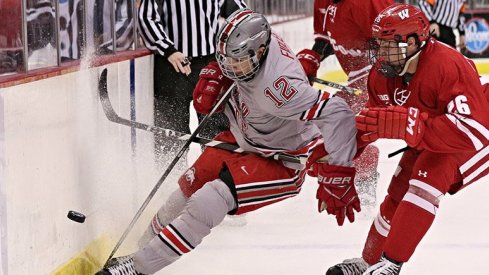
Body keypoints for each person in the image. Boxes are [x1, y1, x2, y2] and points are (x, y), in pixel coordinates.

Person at [96, 8, 360, 275]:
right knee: (185, 189)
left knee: (209, 201)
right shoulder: (253, 42)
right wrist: (216, 73)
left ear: (258, 53)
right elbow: (236, 52)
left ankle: (140, 268)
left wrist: (341, 170)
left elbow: (338, 114)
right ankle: (140, 251)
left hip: (279, 157)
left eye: (236, 62)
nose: (230, 67)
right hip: (242, 136)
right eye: (225, 60)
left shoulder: (279, 87)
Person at [326, 3, 489, 275]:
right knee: (398, 191)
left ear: (414, 42)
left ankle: (391, 265)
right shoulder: (382, 75)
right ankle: (369, 262)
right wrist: (337, 160)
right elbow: (369, 124)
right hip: (438, 128)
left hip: (476, 129)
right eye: (379, 44)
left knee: (426, 181)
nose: (380, 53)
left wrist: (412, 126)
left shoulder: (447, 65)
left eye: (388, 45)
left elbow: (475, 129)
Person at [296, 0, 393, 211]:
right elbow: (325, 39)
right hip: (358, 81)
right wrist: (312, 59)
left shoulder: (365, 3)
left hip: (376, 80)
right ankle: (362, 172)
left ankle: (362, 174)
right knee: (321, 129)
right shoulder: (325, 2)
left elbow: (392, 42)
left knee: (333, 129)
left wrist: (373, 79)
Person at [138, 0, 247, 168]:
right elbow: (147, 18)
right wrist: (169, 50)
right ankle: (169, 184)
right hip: (171, 66)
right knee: (171, 135)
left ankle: (213, 183)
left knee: (215, 132)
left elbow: (241, 15)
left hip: (210, 65)